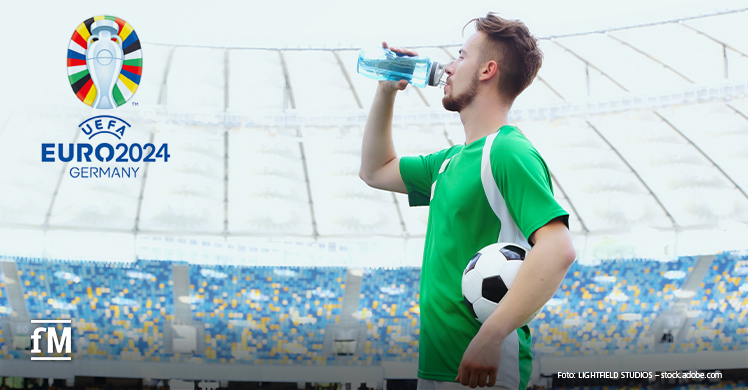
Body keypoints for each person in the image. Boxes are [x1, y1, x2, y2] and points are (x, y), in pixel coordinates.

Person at [359, 13, 577, 390]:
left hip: (483, 369)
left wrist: (491, 336)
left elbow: (558, 249)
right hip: (437, 367)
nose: (449, 67)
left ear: (487, 70)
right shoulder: (447, 162)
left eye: (461, 56)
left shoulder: (508, 151)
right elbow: (375, 170)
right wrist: (385, 89)